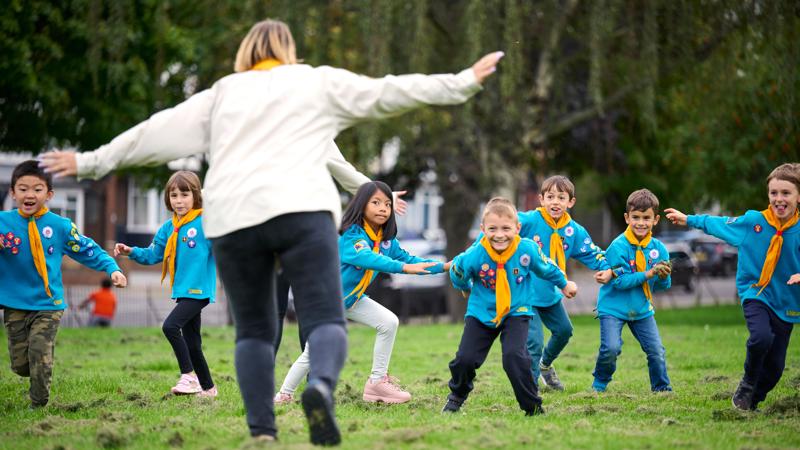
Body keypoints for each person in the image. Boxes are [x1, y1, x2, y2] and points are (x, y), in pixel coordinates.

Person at [38, 18, 502, 445]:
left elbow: (155, 132)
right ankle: (319, 387)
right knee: (323, 319)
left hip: (235, 219)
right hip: (302, 212)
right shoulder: (314, 83)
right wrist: (462, 82)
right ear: (289, 51)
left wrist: (91, 161)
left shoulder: (223, 92)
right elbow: (388, 92)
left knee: (256, 331)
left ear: (245, 54)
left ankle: (262, 430)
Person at [274, 181, 445, 405]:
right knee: (313, 351)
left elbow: (410, 259)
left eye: (387, 204)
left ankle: (376, 383)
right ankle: (284, 395)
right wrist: (403, 268)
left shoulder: (385, 240)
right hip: (326, 300)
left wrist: (445, 266)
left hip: (352, 299)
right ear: (361, 206)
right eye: (375, 203)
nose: (383, 208)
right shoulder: (352, 237)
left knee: (388, 322)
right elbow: (370, 259)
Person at [665, 163, 800, 411]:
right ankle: (747, 384)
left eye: (786, 193)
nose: (779, 199)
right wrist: (689, 219)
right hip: (755, 292)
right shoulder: (753, 222)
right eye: (773, 193)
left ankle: (751, 401)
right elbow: (720, 224)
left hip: (787, 301)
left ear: (798, 196)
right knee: (761, 338)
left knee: (776, 368)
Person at [0, 160, 127, 408]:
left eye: (37, 189)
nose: (29, 194)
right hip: (14, 303)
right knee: (20, 365)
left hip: (48, 304)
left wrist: (112, 268)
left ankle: (38, 402)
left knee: (39, 351)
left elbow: (91, 250)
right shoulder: (2, 223)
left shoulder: (60, 227)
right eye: (23, 188)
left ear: (49, 195)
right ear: (12, 192)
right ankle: (37, 367)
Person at [443, 198, 576, 415]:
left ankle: (532, 406)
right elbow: (457, 272)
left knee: (515, 358)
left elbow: (547, 267)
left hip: (517, 311)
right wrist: (465, 287)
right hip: (481, 312)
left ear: (517, 228)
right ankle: (457, 396)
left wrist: (564, 283)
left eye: (506, 228)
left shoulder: (527, 250)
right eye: (493, 228)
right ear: (483, 229)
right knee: (465, 359)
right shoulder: (475, 254)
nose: (499, 234)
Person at [273, 143, 409, 355]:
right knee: (275, 311)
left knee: (306, 310)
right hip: (276, 233)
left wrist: (381, 195)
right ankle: (270, 384)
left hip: (306, 233)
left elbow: (341, 168)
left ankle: (314, 378)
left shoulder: (313, 127)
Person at [114, 171, 217, 398]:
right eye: (174, 195)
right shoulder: (169, 228)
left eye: (185, 194)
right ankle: (209, 389)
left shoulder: (206, 223)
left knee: (170, 326)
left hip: (198, 290)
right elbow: (153, 254)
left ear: (196, 196)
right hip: (182, 290)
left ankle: (188, 376)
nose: (179, 200)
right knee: (192, 343)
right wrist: (131, 251)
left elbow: (226, 247)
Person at [517, 175, 611, 391]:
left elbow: (592, 253)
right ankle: (530, 390)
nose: (555, 202)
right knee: (534, 343)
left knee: (564, 331)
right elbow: (501, 227)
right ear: (541, 199)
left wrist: (607, 268)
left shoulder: (574, 231)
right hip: (526, 294)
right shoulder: (530, 221)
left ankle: (545, 365)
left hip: (550, 295)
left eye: (561, 197)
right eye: (550, 197)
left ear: (571, 202)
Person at [592, 188, 673, 393]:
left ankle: (661, 388)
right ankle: (599, 384)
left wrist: (663, 276)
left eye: (646, 218)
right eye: (636, 217)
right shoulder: (617, 247)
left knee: (656, 351)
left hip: (641, 309)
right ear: (627, 218)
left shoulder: (659, 249)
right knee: (611, 348)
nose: (641, 222)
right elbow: (620, 282)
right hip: (613, 308)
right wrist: (648, 273)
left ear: (655, 220)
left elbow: (663, 286)